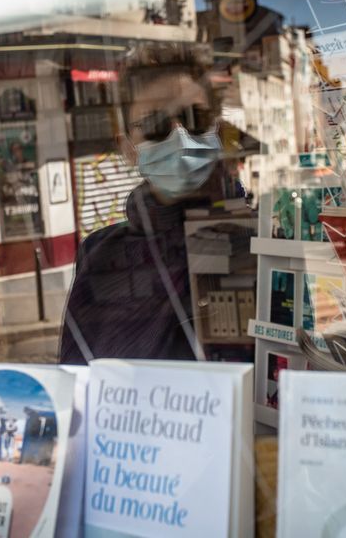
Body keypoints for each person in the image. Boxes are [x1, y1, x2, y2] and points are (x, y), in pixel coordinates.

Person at [59, 43, 235, 363]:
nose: (180, 136)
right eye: (155, 124)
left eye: (195, 117)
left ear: (217, 129)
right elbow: (80, 377)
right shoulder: (101, 255)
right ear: (128, 149)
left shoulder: (260, 243)